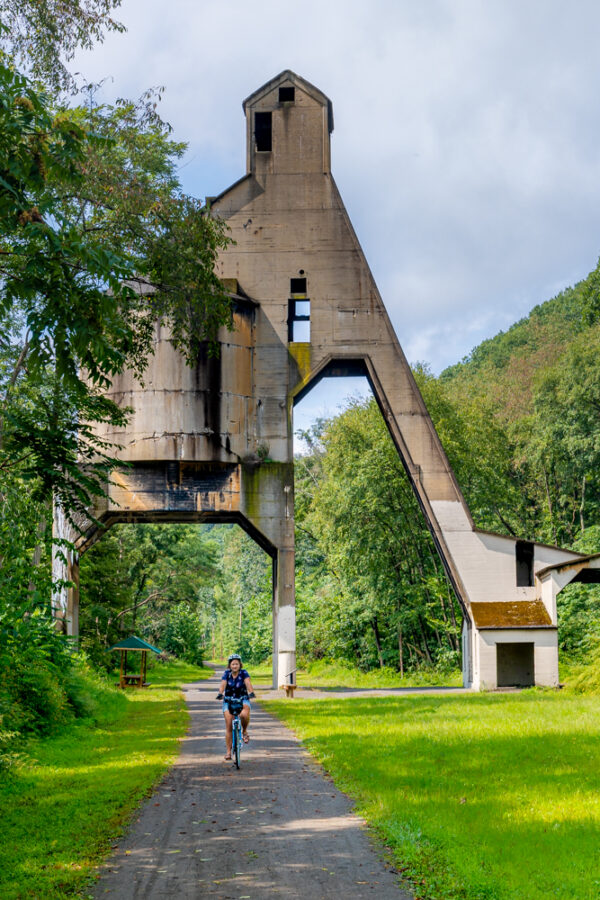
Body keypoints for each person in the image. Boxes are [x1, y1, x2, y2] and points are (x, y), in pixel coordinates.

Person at [216, 654, 256, 761]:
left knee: (244, 715)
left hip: (242, 698)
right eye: (233, 664)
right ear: (229, 665)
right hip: (228, 699)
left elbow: (248, 682)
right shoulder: (226, 674)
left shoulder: (244, 673)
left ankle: (244, 731)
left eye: (237, 664)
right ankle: (228, 752)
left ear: (240, 664)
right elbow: (223, 684)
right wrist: (220, 693)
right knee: (229, 724)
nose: (235, 666)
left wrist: (251, 692)